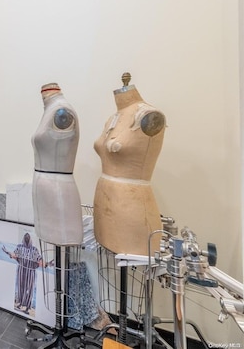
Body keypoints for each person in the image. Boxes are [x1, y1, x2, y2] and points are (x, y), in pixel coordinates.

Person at [93, 73, 166, 255]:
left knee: (130, 273)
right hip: (103, 205)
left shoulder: (149, 116)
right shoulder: (112, 119)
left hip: (132, 210)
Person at [31, 83, 84, 246]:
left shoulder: (62, 112)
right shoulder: (49, 110)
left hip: (58, 192)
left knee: (62, 243)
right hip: (44, 190)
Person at [3, 232, 43, 314]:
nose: (27, 238)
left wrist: (46, 263)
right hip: (21, 270)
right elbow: (14, 255)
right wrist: (7, 252)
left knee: (30, 289)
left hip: (31, 271)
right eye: (25, 237)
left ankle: (28, 307)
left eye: (28, 237)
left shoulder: (34, 249)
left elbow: (39, 259)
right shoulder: (19, 247)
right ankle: (20, 303)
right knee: (20, 287)